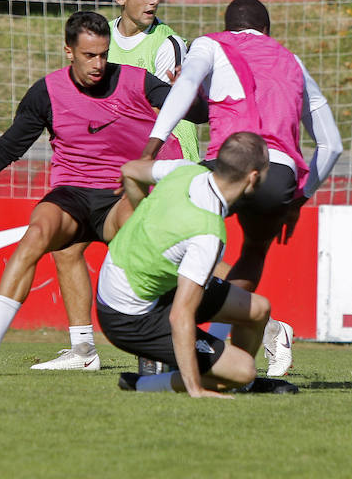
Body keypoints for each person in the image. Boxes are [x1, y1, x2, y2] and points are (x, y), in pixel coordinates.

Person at [0, 11, 206, 374]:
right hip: (73, 195)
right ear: (68, 51)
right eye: (88, 55)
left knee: (142, 243)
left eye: (104, 54)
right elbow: (6, 150)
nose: (98, 64)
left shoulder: (138, 81)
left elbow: (198, 113)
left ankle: (174, 339)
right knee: (39, 233)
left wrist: (191, 89)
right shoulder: (46, 92)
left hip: (122, 194)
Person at [139, 0, 343, 377]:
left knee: (176, 233)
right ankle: (234, 353)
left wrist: (154, 143)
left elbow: (186, 86)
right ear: (267, 32)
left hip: (228, 163)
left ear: (229, 25)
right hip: (280, 176)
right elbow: (332, 145)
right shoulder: (292, 60)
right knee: (252, 252)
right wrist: (299, 199)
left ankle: (168, 329)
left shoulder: (211, 43)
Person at [33, 0, 200, 372]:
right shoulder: (99, 36)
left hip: (168, 162)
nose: (154, 0)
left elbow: (171, 111)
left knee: (171, 260)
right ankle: (83, 349)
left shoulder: (167, 44)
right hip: (121, 166)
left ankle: (263, 323)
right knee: (67, 244)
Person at [98, 131, 297, 396]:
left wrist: (144, 215)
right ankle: (145, 384)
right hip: (128, 316)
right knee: (243, 370)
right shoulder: (208, 233)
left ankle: (238, 384)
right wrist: (195, 389)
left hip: (134, 285)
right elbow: (181, 314)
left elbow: (130, 170)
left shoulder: (185, 170)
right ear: (253, 177)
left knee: (259, 309)